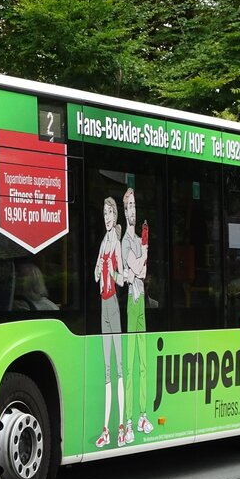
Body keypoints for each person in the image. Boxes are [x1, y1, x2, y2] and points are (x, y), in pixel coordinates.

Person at [121, 187, 153, 440]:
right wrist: (144, 248)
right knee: (131, 367)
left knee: (143, 364)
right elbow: (139, 270)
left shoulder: (137, 242)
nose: (133, 211)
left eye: (135, 207)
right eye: (129, 207)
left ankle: (143, 416)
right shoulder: (125, 242)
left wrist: (143, 253)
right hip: (132, 303)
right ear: (124, 211)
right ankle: (129, 422)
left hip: (141, 300)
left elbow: (141, 270)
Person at [94, 197, 125, 448]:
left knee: (119, 369)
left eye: (109, 213)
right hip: (103, 304)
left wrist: (111, 270)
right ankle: (106, 428)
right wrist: (99, 268)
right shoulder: (104, 242)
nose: (106, 217)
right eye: (103, 213)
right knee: (106, 371)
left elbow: (123, 278)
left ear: (115, 216)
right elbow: (95, 273)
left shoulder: (115, 243)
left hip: (113, 304)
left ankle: (122, 425)